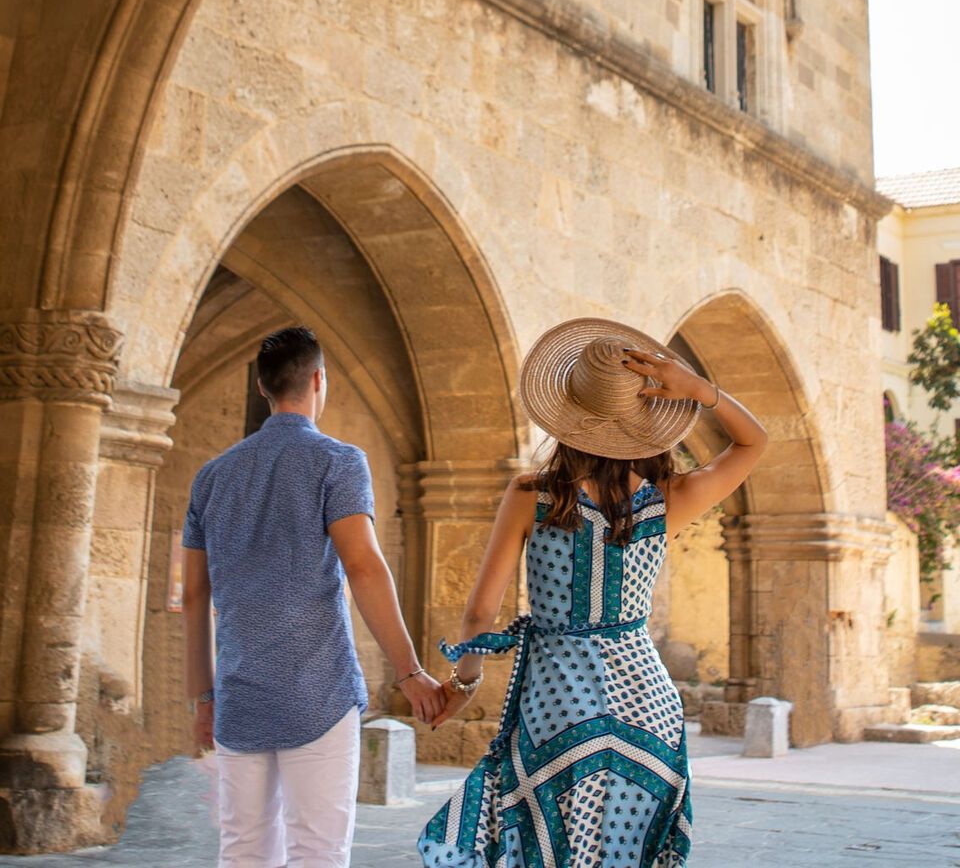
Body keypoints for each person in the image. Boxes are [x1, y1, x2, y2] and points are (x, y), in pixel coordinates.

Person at [418, 317, 767, 867]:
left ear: (566, 417)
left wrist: (465, 684)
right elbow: (753, 442)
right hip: (646, 705)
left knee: (550, 847)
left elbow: (481, 611)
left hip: (557, 701)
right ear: (648, 421)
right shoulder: (667, 501)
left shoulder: (531, 496)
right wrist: (701, 391)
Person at [182, 326, 444, 867]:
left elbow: (192, 596)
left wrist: (204, 700)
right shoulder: (338, 461)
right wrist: (409, 670)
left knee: (243, 851)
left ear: (262, 387)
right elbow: (364, 567)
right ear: (319, 380)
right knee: (319, 852)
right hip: (317, 690)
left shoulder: (210, 478)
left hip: (238, 692)